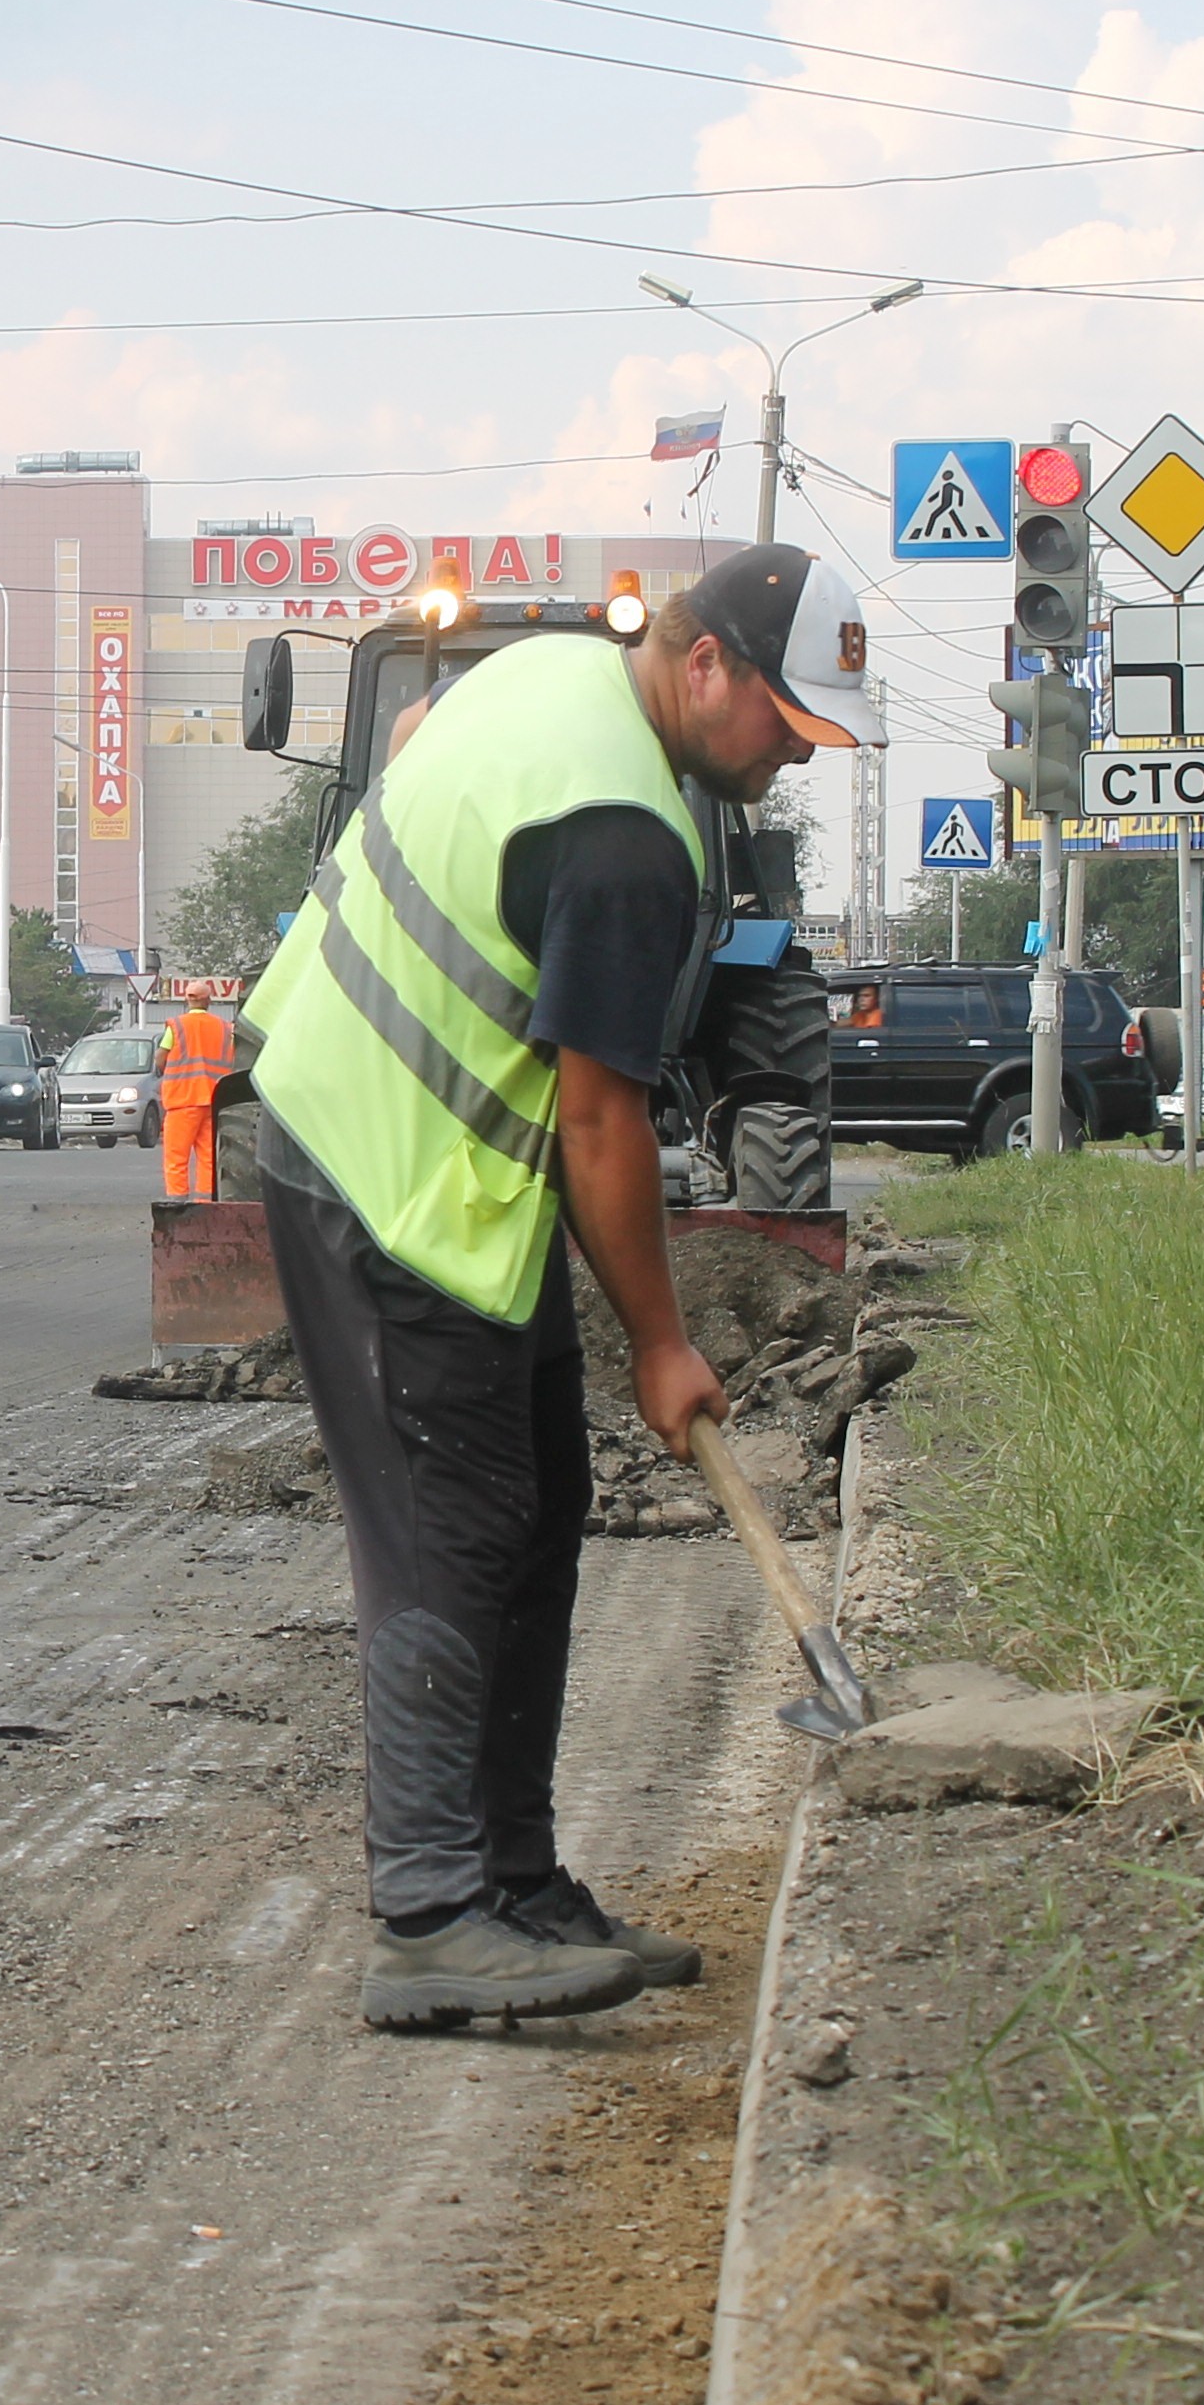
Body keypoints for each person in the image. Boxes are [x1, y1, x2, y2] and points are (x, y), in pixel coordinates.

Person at [244, 544, 880, 2031]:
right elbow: (602, 1125)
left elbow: (415, 753)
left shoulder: (545, 677)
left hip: (415, 1157)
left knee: (535, 1500)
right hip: (388, 1173)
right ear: (706, 661)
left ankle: (518, 1885)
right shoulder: (627, 844)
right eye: (785, 715)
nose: (792, 752)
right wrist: (663, 1343)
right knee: (451, 1535)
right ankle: (430, 1918)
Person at [158, 991, 234, 1198]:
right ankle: (205, 1201)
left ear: (187, 1000)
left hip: (182, 1100)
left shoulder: (177, 1026)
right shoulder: (225, 1028)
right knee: (208, 1156)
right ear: (208, 1001)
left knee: (176, 1157)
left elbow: (161, 1057)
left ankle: (177, 1202)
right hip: (214, 1100)